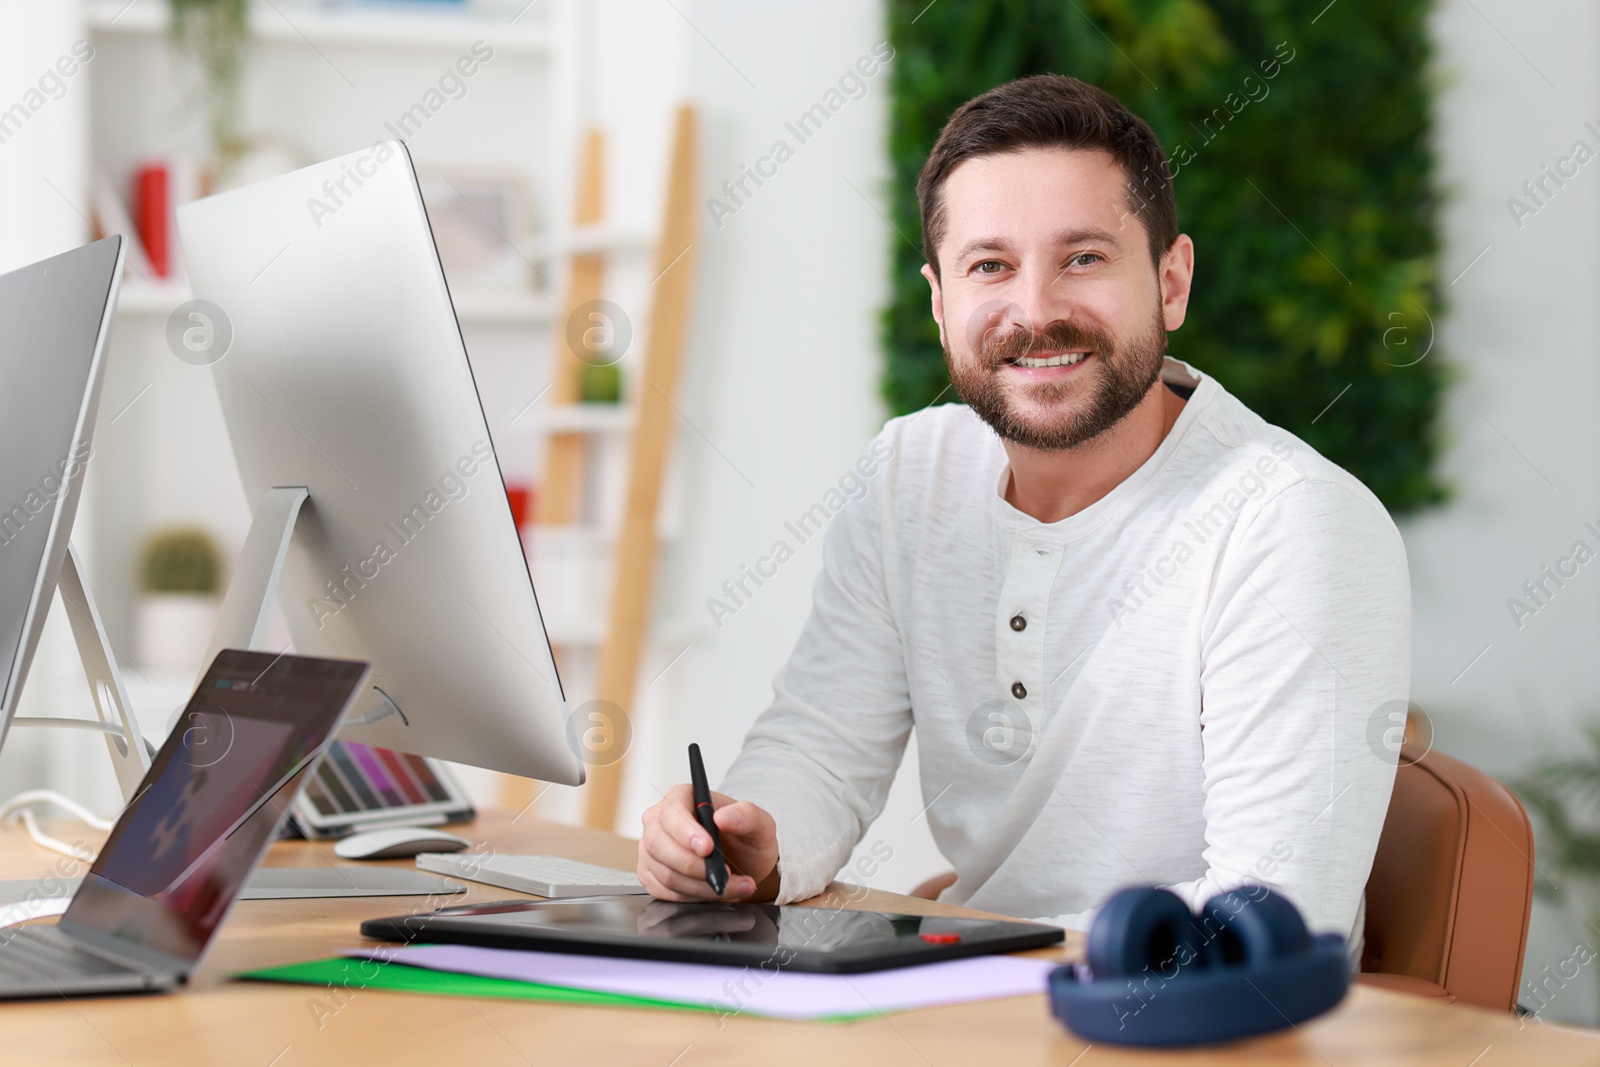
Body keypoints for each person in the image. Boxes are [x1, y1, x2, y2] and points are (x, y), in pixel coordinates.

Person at [637, 73, 1409, 949]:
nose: (1036, 311)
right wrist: (753, 843)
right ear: (940, 303)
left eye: (1083, 257)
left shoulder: (1294, 523)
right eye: (990, 266)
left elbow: (1273, 916)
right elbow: (820, 745)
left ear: (1173, 280)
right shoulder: (909, 473)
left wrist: (942, 947)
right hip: (975, 997)